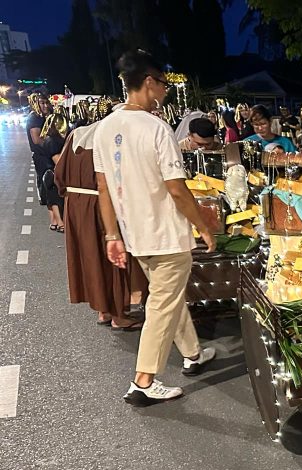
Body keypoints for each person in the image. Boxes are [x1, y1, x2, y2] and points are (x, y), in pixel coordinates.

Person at [93, 49, 217, 406]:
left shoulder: (105, 129)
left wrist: (112, 235)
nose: (165, 90)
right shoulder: (156, 128)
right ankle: (144, 381)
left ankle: (192, 354)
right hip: (166, 233)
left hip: (135, 233)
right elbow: (177, 189)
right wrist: (204, 226)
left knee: (167, 296)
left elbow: (103, 188)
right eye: (163, 83)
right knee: (163, 304)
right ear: (149, 82)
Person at [56, 116, 147, 330]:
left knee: (91, 259)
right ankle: (118, 315)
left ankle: (103, 310)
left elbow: (59, 173)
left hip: (75, 204)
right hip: (100, 202)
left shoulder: (75, 135)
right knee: (113, 259)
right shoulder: (112, 136)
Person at [26, 95, 66, 233]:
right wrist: (53, 144)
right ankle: (59, 221)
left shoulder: (42, 116)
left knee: (49, 186)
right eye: (41, 103)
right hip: (42, 157)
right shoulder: (34, 118)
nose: (45, 106)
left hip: (46, 155)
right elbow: (37, 140)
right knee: (50, 186)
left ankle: (54, 221)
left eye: (46, 102)